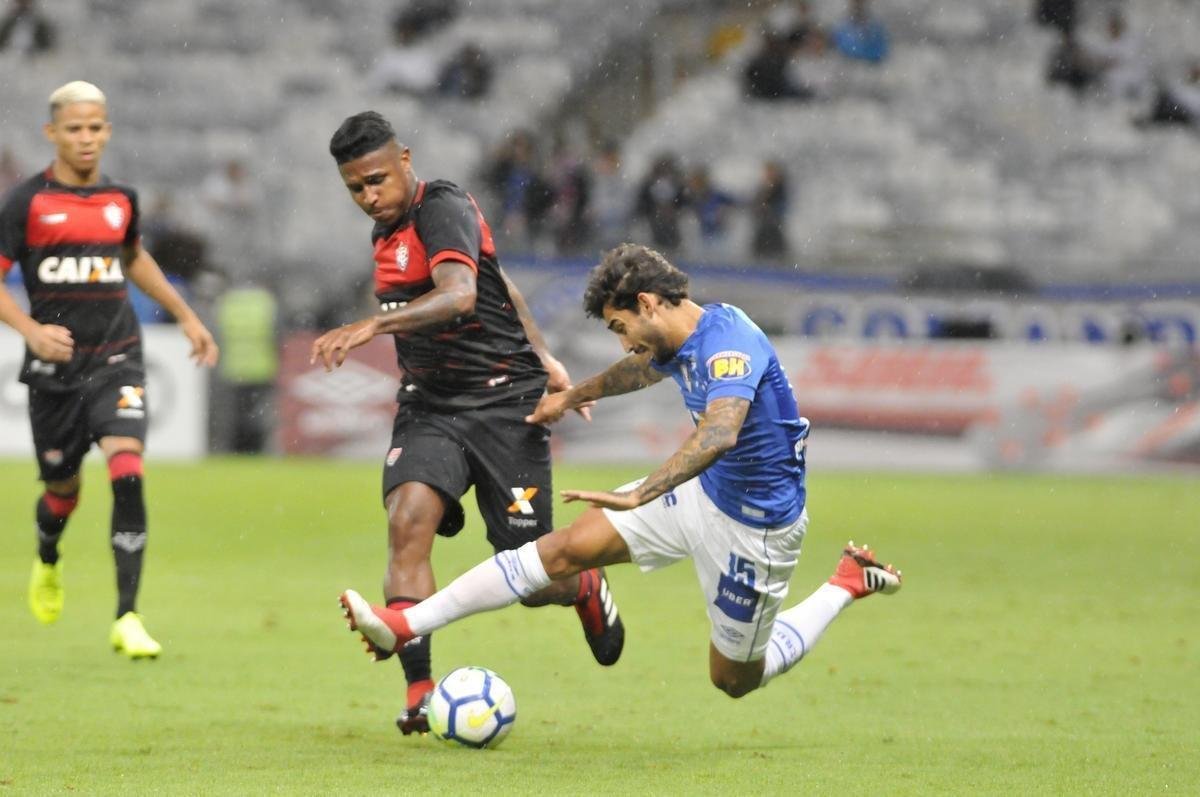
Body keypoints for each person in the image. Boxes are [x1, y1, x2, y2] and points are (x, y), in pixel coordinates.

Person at [339, 244, 902, 700]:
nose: (622, 340)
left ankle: (844, 583)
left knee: (734, 679)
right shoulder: (679, 338)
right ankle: (406, 625)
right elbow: (642, 369)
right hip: (698, 492)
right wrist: (572, 396)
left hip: (755, 530)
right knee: (561, 551)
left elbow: (720, 432)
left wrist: (640, 494)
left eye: (619, 325)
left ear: (648, 303)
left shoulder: (731, 341)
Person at [312, 112, 624, 734]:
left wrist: (374, 325)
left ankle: (583, 585)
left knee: (529, 577)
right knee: (408, 521)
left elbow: (462, 294)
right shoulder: (386, 230)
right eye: (355, 188)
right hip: (429, 406)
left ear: (405, 159)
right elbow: (501, 280)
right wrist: (547, 354)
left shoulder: (442, 207)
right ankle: (419, 693)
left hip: (505, 405)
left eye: (376, 180)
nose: (368, 196)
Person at [0, 81, 219, 658]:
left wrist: (186, 316)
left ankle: (128, 615)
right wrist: (30, 330)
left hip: (117, 357)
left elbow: (132, 257)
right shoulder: (26, 203)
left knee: (127, 468)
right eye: (74, 128)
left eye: (95, 128)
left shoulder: (120, 199)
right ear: (52, 133)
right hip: (55, 371)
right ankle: (48, 556)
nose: (86, 138)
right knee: (61, 493)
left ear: (108, 131)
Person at [831, 0, 889, 65]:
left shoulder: (875, 28)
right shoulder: (842, 28)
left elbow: (880, 52)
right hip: (848, 65)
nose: (858, 8)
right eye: (856, 4)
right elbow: (838, 49)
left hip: (869, 66)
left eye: (860, 4)